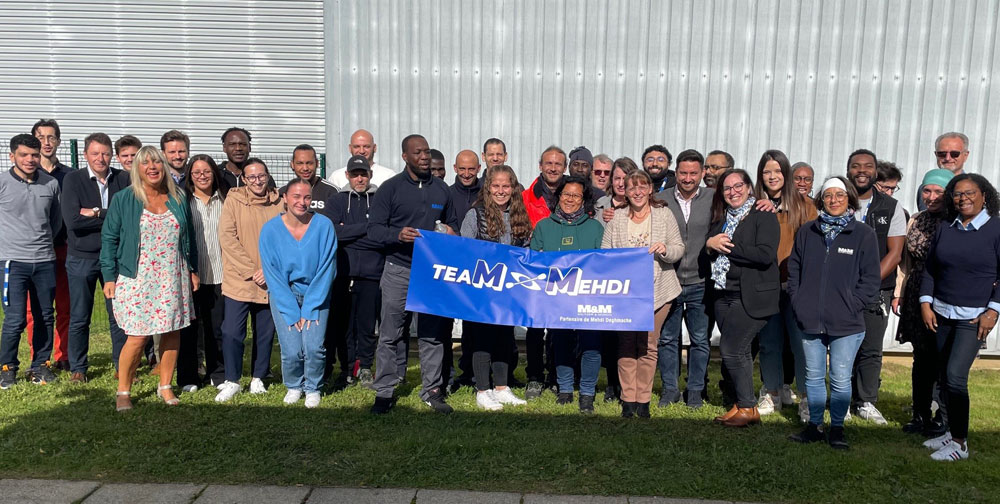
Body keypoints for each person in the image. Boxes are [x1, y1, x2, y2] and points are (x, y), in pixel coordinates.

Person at [100, 145, 198, 411]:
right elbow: (109, 239)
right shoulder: (124, 199)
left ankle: (165, 385)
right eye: (145, 163)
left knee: (172, 331)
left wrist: (192, 269)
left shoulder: (178, 197)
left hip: (173, 275)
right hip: (137, 277)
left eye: (156, 162)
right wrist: (109, 276)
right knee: (137, 336)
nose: (152, 167)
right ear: (137, 169)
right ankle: (123, 390)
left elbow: (189, 237)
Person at [787, 176, 880, 449]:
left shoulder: (863, 234)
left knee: (840, 378)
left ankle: (837, 428)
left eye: (840, 195)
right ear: (821, 200)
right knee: (813, 377)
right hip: (810, 320)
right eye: (828, 195)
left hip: (847, 322)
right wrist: (799, 301)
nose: (834, 200)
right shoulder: (808, 232)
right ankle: (815, 426)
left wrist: (853, 303)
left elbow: (871, 278)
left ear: (849, 198)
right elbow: (794, 270)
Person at [367, 134, 458, 415]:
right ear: (405, 156)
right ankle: (385, 390)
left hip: (431, 273)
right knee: (391, 334)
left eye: (426, 152)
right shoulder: (390, 189)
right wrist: (397, 235)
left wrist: (451, 232)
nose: (424, 157)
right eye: (417, 152)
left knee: (432, 334)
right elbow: (373, 230)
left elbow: (454, 226)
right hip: (399, 269)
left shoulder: (442, 190)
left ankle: (432, 390)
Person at [920, 174, 1000, 461]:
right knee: (943, 375)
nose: (963, 198)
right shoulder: (946, 227)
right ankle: (949, 432)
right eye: (957, 193)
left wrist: (993, 310)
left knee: (955, 376)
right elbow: (930, 268)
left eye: (970, 192)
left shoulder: (995, 228)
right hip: (941, 312)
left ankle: (960, 443)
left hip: (974, 317)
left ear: (984, 196)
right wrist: (926, 302)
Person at [603, 171, 684, 417]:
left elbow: (679, 248)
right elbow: (605, 252)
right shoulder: (616, 218)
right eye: (632, 188)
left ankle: (644, 400)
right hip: (626, 293)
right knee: (627, 344)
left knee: (648, 344)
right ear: (625, 192)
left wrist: (665, 249)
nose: (637, 192)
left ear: (650, 189)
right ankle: (628, 399)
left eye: (642, 187)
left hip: (658, 290)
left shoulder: (664, 214)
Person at [706, 169, 780, 427]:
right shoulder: (722, 217)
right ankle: (743, 404)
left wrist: (726, 247)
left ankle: (747, 407)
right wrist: (709, 245)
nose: (733, 192)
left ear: (749, 188)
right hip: (722, 292)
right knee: (742, 352)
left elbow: (765, 255)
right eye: (727, 188)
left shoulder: (764, 215)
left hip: (751, 295)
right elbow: (711, 246)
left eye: (738, 186)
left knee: (731, 349)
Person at [260, 177, 338, 408]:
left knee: (314, 348)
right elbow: (272, 274)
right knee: (292, 350)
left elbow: (327, 269)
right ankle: (294, 385)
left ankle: (313, 387)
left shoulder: (324, 226)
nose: (302, 202)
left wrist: (311, 307)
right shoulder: (270, 230)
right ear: (284, 197)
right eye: (296, 196)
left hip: (317, 293)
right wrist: (292, 311)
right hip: (285, 294)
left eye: (307, 197)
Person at [530, 176, 605, 413]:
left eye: (576, 195)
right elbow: (534, 261)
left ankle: (587, 393)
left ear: (584, 200)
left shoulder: (595, 228)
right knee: (561, 342)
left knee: (591, 344)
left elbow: (605, 264)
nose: (570, 199)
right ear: (558, 196)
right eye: (566, 194)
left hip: (588, 297)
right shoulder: (543, 226)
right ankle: (564, 389)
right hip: (556, 298)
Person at [61, 132, 130, 383]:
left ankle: (122, 366)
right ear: (85, 155)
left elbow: (128, 217)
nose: (100, 158)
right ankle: (78, 368)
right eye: (95, 153)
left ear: (112, 155)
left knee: (118, 315)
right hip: (82, 258)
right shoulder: (73, 179)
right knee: (80, 316)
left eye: (105, 153)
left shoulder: (123, 178)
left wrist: (96, 212)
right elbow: (72, 221)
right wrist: (111, 218)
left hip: (114, 257)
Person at [752, 150, 817, 418]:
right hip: (764, 286)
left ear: (786, 174)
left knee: (801, 344)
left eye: (777, 171)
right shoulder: (753, 204)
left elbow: (814, 246)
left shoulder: (804, 206)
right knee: (769, 343)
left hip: (795, 286)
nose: (772, 176)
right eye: (767, 172)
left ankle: (806, 397)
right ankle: (772, 392)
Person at [461, 165, 531, 411]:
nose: (501, 191)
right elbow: (465, 251)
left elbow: (526, 250)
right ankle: (483, 390)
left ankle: (501, 387)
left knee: (504, 337)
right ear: (488, 188)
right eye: (496, 186)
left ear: (513, 188)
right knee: (482, 339)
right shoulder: (475, 215)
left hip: (509, 289)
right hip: (482, 289)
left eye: (506, 186)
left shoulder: (520, 215)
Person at [215, 158, 283, 402]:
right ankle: (232, 379)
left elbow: (285, 239)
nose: (257, 181)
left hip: (270, 278)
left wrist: (267, 270)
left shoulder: (279, 202)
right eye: (251, 177)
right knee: (232, 332)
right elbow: (227, 237)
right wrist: (251, 270)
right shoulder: (233, 200)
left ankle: (258, 377)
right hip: (240, 278)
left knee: (265, 333)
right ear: (244, 179)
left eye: (261, 176)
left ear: (268, 176)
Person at [893, 169, 954, 437]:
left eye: (938, 191)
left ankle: (943, 415)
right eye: (927, 191)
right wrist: (899, 293)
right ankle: (920, 414)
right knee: (921, 357)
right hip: (917, 293)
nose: (931, 197)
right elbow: (905, 262)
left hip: (947, 293)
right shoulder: (916, 220)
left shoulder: (956, 222)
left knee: (945, 358)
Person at [846, 148, 904, 425]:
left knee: (870, 347)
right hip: (839, 289)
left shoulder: (891, 207)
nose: (861, 171)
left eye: (867, 166)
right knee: (841, 346)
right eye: (856, 165)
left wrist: (867, 283)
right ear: (848, 170)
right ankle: (842, 399)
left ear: (875, 172)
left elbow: (895, 253)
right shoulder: (836, 199)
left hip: (876, 289)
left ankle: (866, 401)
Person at [278, 144, 344, 387]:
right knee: (294, 343)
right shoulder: (283, 194)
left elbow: (339, 228)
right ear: (292, 165)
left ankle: (322, 374)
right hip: (290, 282)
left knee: (323, 334)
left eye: (310, 162)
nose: (305, 167)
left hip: (323, 277)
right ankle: (296, 381)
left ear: (317, 163)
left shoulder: (331, 191)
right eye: (300, 163)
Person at [0, 134, 62, 389]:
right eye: (24, 154)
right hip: (12, 263)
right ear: (12, 156)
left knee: (45, 315)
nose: (30, 159)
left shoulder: (51, 184)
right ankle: (7, 368)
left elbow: (56, 221)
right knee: (15, 318)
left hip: (45, 260)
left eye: (34, 155)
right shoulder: (2, 183)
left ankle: (40, 366)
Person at [655, 149, 715, 409]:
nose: (688, 178)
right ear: (675, 172)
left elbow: (743, 206)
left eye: (693, 173)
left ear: (702, 173)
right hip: (669, 280)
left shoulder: (714, 198)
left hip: (701, 281)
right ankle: (670, 389)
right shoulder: (660, 199)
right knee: (668, 338)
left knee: (700, 340)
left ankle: (695, 390)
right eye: (683, 173)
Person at [330, 155, 383, 389]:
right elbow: (332, 232)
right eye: (355, 174)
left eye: (363, 174)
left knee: (367, 325)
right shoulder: (337, 201)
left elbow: (382, 236)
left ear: (370, 175)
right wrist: (367, 228)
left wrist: (349, 233)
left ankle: (365, 367)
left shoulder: (380, 200)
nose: (359, 179)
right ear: (347, 176)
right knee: (344, 325)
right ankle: (347, 369)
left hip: (372, 274)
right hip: (343, 273)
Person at [25, 120, 72, 371]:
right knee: (35, 310)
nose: (46, 142)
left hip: (64, 248)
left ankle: (64, 355)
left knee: (65, 307)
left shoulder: (70, 176)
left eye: (51, 137)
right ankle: (39, 358)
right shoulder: (26, 175)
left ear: (58, 142)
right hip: (35, 252)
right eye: (41, 137)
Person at [521, 146, 567, 398]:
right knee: (535, 327)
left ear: (565, 167)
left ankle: (557, 376)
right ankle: (535, 377)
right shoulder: (526, 196)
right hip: (536, 269)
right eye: (548, 163)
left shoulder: (572, 193)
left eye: (558, 164)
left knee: (560, 326)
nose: (553, 168)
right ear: (540, 166)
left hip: (563, 271)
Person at [592, 156, 638, 402]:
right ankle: (611, 384)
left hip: (630, 277)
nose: (620, 183)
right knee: (608, 334)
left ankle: (627, 385)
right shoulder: (600, 205)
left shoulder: (640, 204)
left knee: (627, 335)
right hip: (605, 276)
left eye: (625, 178)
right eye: (616, 178)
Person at [180, 155, 227, 391]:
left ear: (214, 173)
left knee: (217, 329)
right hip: (192, 276)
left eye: (207, 171)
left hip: (221, 275)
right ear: (190, 176)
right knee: (189, 330)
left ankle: (218, 374)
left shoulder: (226, 199)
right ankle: (188, 377)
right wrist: (189, 269)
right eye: (196, 172)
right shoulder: (183, 201)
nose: (202, 176)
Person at [447, 150, 483, 390]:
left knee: (477, 323)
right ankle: (451, 374)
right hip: (453, 265)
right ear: (455, 168)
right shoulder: (447, 194)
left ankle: (475, 371)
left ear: (479, 168)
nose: (467, 173)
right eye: (462, 169)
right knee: (447, 323)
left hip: (480, 267)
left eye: (471, 169)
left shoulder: (486, 193)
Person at [917, 132, 971, 212]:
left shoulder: (972, 189)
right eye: (942, 154)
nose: (947, 158)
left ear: (965, 155)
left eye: (954, 154)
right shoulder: (925, 188)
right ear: (936, 154)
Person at [327, 129, 396, 189]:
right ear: (350, 148)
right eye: (356, 147)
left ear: (374, 148)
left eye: (366, 146)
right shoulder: (337, 177)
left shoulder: (388, 177)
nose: (361, 151)